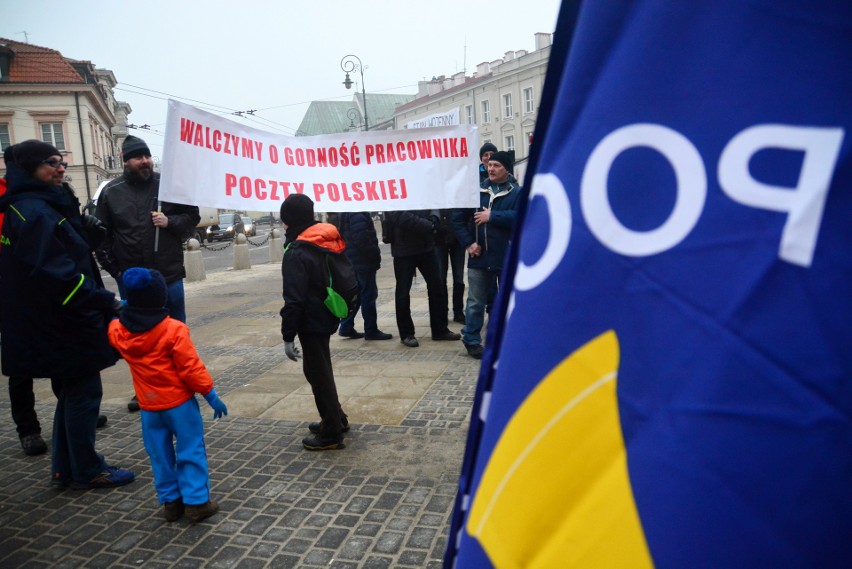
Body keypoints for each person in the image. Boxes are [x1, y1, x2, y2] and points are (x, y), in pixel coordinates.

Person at [0, 140, 135, 488]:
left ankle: (65, 468)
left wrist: (82, 233)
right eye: (50, 163)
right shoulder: (32, 211)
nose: (60, 168)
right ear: (29, 168)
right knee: (85, 394)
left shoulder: (39, 205)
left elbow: (64, 254)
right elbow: (57, 275)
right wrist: (106, 301)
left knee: (75, 394)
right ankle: (87, 470)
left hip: (58, 319)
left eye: (61, 162)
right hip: (62, 321)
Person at [108, 267, 226, 522]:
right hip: (179, 405)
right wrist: (209, 393)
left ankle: (171, 502)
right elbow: (191, 368)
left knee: (159, 454)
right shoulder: (173, 329)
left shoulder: (118, 330)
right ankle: (196, 502)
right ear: (160, 297)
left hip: (148, 407)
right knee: (191, 448)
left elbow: (114, 325)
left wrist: (125, 310)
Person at [94, 135, 200, 412]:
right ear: (125, 161)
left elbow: (192, 219)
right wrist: (117, 271)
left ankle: (182, 382)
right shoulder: (111, 191)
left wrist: (170, 222)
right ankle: (146, 389)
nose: (145, 161)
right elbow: (100, 236)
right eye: (138, 156)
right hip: (133, 282)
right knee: (140, 339)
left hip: (168, 276)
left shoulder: (168, 186)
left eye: (147, 155)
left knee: (176, 332)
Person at [279, 194, 349, 450]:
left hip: (311, 320)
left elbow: (294, 299)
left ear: (289, 220)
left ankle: (331, 432)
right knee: (319, 370)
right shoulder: (323, 239)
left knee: (318, 374)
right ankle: (337, 418)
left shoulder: (298, 250)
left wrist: (288, 335)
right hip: (327, 313)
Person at [452, 151, 521, 359]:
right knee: (475, 302)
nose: (491, 168)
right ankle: (471, 339)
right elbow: (456, 220)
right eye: (490, 165)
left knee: (505, 301)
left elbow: (524, 215)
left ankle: (504, 338)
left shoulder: (516, 193)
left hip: (505, 256)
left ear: (506, 169)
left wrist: (493, 216)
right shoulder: (476, 191)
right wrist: (469, 243)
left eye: (497, 165)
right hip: (479, 257)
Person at [385, 209, 461, 347]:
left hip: (426, 246)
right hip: (404, 248)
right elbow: (398, 215)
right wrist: (429, 225)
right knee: (403, 292)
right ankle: (406, 333)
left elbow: (433, 205)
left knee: (437, 287)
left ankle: (440, 329)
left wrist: (434, 219)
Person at [337, 211, 392, 341]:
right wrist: (374, 252)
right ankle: (371, 329)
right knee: (368, 294)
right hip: (362, 260)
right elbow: (361, 237)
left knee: (358, 295)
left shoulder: (348, 210)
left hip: (353, 259)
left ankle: (346, 326)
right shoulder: (357, 212)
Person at [435, 209, 466, 324]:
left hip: (458, 237)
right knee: (441, 278)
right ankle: (443, 311)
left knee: (458, 277)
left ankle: (458, 312)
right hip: (439, 238)